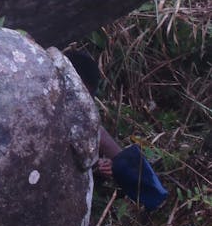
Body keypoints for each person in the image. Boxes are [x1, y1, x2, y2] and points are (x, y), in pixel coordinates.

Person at [66, 50, 168, 212]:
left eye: (88, 96)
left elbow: (101, 142)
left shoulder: (85, 118)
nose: (85, 101)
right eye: (84, 93)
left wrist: (99, 167)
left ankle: (155, 195)